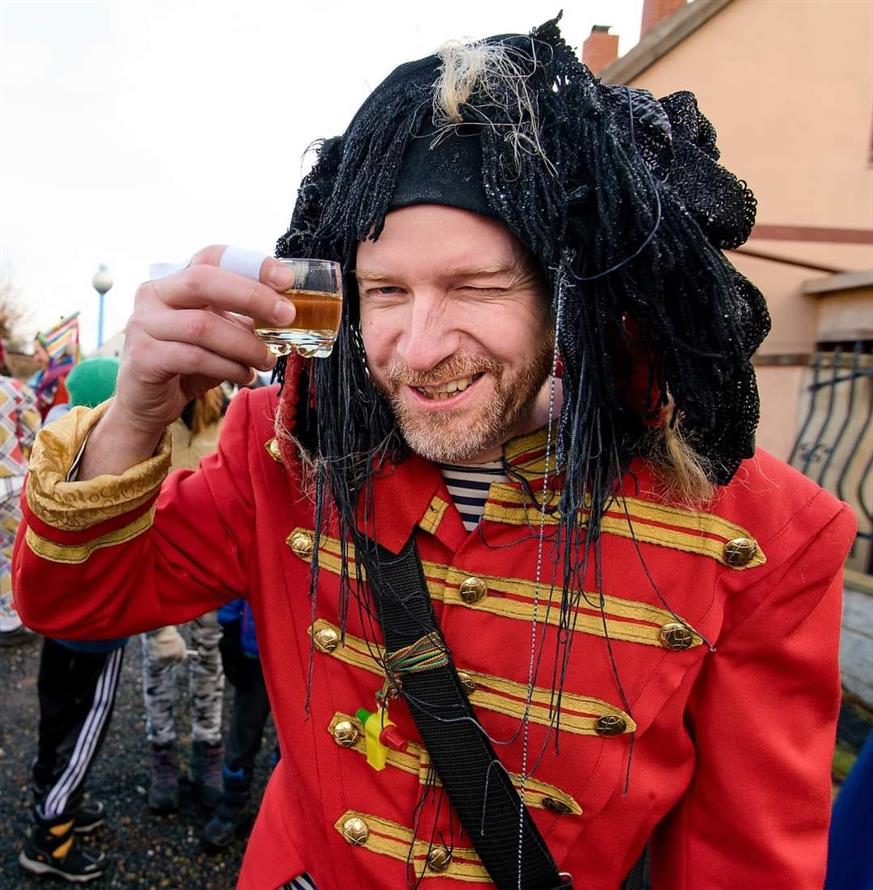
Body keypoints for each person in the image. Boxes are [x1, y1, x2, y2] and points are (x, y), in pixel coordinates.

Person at [13, 18, 857, 890]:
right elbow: (69, 603)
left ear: (572, 289)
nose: (416, 349)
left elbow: (744, 866)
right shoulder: (285, 446)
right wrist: (136, 415)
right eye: (385, 291)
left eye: (476, 287)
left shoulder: (766, 535)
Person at [19, 356, 125, 884]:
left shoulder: (54, 452)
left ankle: (55, 795)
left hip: (58, 622)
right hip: (100, 628)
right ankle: (50, 835)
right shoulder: (119, 464)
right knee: (85, 731)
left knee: (55, 720)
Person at [141, 386, 227, 813]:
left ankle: (207, 750)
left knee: (208, 656)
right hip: (155, 562)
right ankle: (162, 754)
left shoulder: (225, 409)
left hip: (209, 565)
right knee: (159, 657)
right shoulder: (152, 406)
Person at [202, 598, 275, 850]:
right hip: (255, 647)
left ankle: (287, 808)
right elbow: (238, 577)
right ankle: (234, 800)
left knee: (296, 739)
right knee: (244, 730)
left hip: (308, 653)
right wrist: (229, 627)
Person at [0, 341, 40, 645]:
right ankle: (9, 620)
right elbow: (35, 437)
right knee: (9, 551)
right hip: (10, 484)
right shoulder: (15, 390)